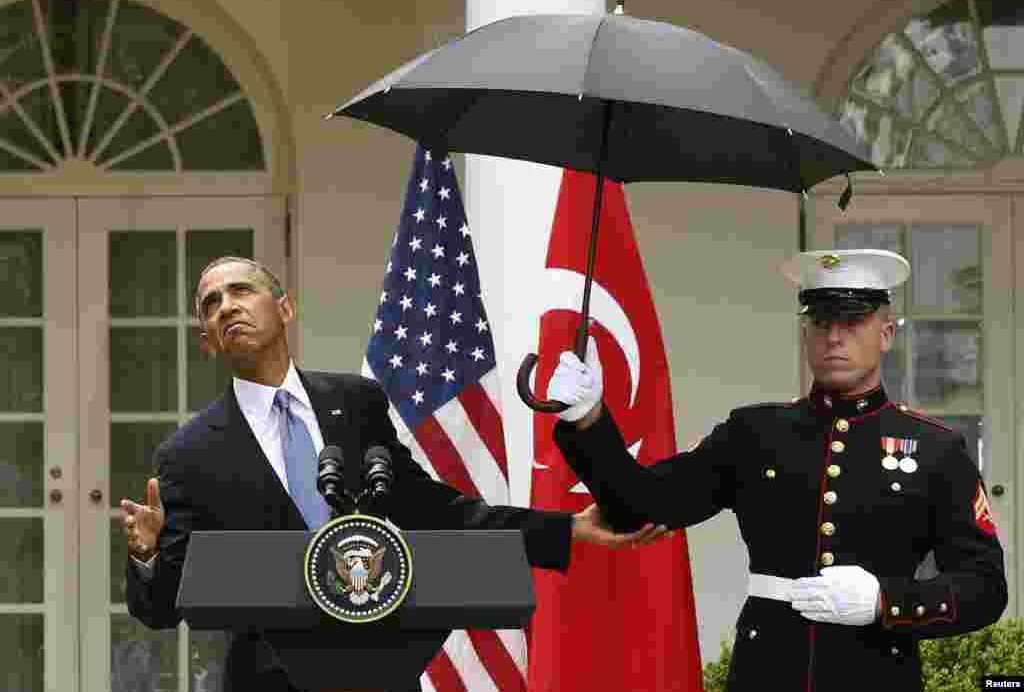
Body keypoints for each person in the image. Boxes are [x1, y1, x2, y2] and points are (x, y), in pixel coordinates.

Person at [119, 256, 661, 692]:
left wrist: (564, 529)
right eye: (210, 304)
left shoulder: (354, 403)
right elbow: (162, 607)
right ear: (207, 340)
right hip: (270, 679)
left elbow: (433, 508)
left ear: (285, 309)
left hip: (379, 668)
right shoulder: (187, 454)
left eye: (241, 290)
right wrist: (147, 555)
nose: (226, 307)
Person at [545, 248, 1007, 692]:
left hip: (877, 672)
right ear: (805, 332)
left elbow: (984, 588)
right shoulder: (755, 432)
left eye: (852, 321)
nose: (835, 336)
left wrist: (886, 601)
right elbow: (640, 507)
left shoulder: (935, 448)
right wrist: (586, 420)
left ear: (885, 333)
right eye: (821, 322)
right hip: (767, 671)